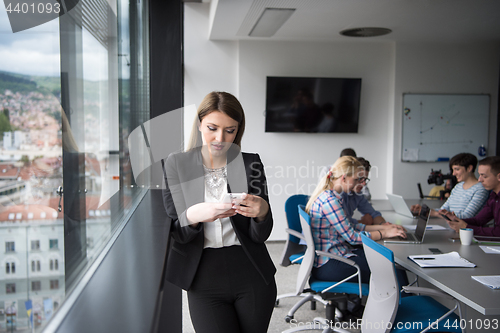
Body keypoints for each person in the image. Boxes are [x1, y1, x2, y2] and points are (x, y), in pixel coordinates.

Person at [162, 91, 276, 333]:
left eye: (230, 130)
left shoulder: (249, 163)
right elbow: (177, 232)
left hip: (251, 269)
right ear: (199, 124)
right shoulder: (177, 163)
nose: (220, 138)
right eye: (212, 127)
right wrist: (195, 215)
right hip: (202, 273)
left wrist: (263, 211)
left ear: (238, 130)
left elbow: (260, 235)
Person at [306, 156, 407, 285]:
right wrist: (385, 234)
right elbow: (352, 237)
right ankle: (404, 303)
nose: (359, 183)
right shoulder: (330, 201)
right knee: (391, 270)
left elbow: (351, 225)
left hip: (336, 255)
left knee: (386, 260)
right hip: (330, 263)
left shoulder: (333, 196)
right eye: (356, 180)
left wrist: (385, 228)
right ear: (344, 178)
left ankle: (399, 302)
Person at [411, 153, 489, 219]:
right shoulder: (458, 187)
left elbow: (467, 216)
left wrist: (435, 213)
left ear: (469, 168)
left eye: (457, 169)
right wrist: (426, 211)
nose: (453, 174)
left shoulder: (481, 189)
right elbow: (443, 209)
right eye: (453, 170)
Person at [446, 156, 500, 237]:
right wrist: (456, 220)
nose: (480, 179)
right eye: (479, 175)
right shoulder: (494, 196)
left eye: (484, 176)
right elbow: (478, 220)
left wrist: (466, 227)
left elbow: (498, 232)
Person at [342, 157, 386, 225]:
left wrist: (384, 225)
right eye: (360, 179)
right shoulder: (339, 195)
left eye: (365, 179)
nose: (364, 183)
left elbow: (373, 214)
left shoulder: (357, 195)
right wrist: (362, 222)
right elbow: (344, 225)